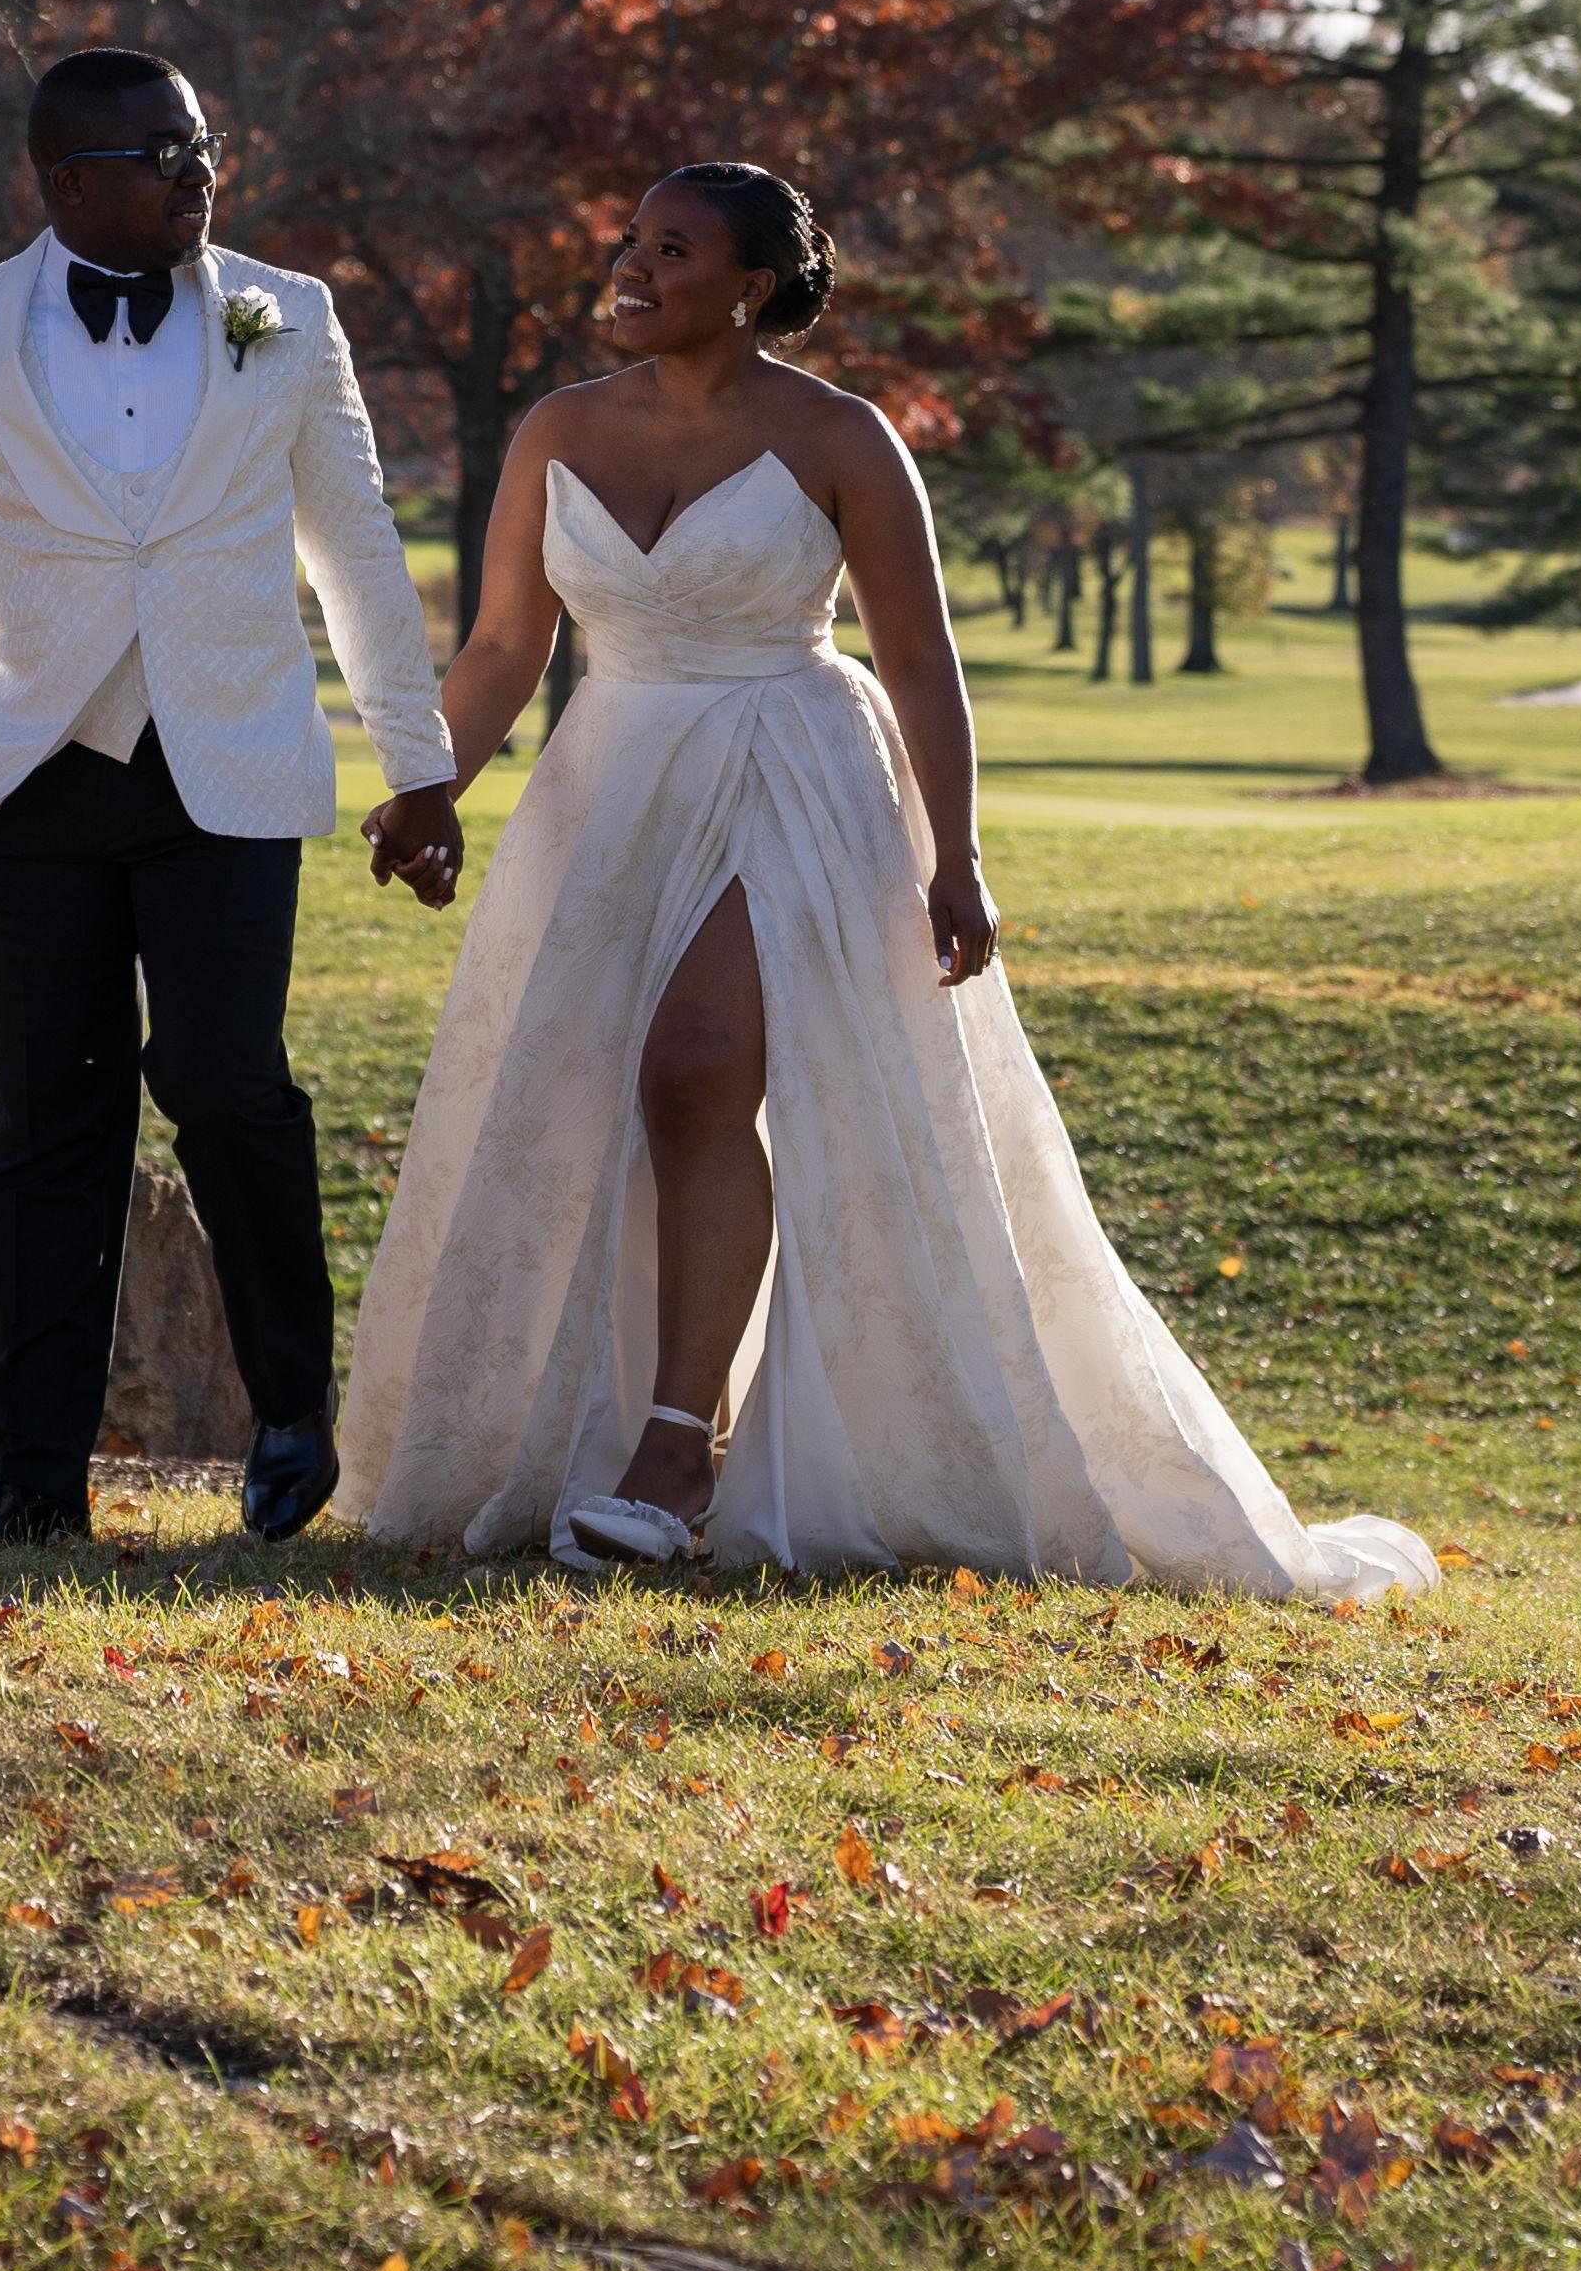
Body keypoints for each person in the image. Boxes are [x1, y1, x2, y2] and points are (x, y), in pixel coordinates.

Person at [334, 162, 1432, 1597]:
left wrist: (956, 856)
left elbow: (919, 657)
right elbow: (501, 646)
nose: (632, 266)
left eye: (673, 249)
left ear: (752, 288)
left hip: (791, 774)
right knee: (587, 1103)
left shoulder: (840, 436)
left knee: (696, 1070)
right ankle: (590, 1426)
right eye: (631, 240)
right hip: (611, 785)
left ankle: (675, 1452)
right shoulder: (559, 428)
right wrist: (429, 784)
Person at [0, 51, 463, 1547]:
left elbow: (355, 548)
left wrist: (419, 764)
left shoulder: (287, 315)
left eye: (203, 144)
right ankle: (31, 1482)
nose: (199, 170)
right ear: (69, 181)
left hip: (228, 773)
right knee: (49, 1124)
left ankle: (289, 1410)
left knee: (226, 1082)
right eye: (163, 152)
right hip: (30, 778)